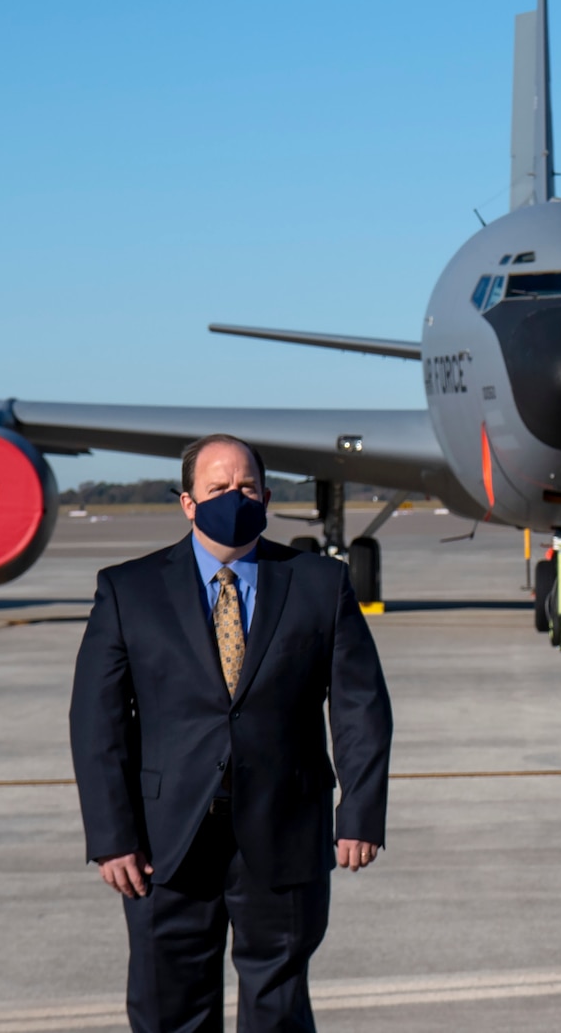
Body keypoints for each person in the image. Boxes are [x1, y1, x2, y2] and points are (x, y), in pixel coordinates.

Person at [70, 434, 394, 1032]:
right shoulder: (127, 589)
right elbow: (98, 723)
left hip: (286, 830)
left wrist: (361, 813)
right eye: (218, 488)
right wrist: (111, 835)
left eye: (246, 487)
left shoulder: (321, 583)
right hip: (163, 843)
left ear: (267, 496)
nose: (234, 497)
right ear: (188, 503)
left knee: (278, 1006)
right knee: (169, 1008)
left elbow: (361, 708)